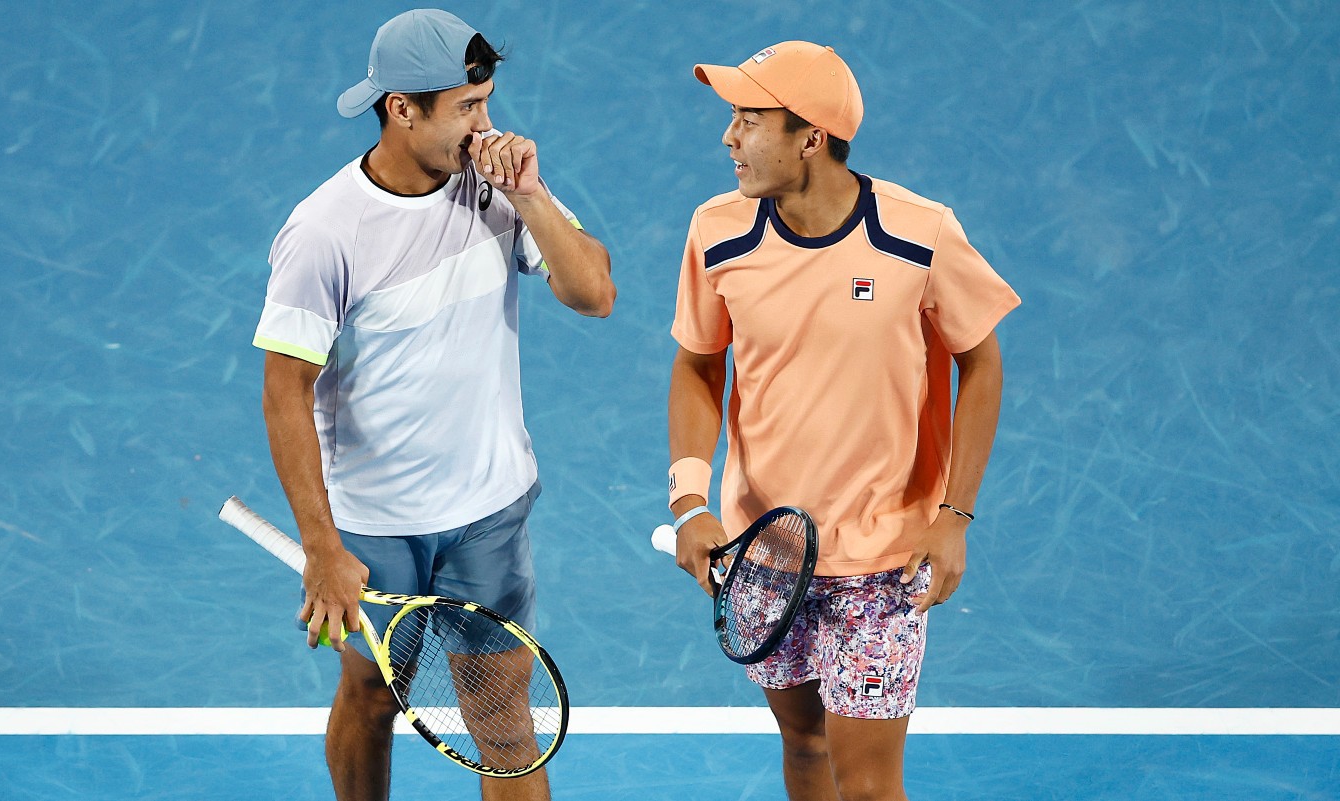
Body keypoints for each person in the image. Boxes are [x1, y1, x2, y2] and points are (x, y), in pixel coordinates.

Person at [252, 9, 613, 801]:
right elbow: (285, 390)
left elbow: (594, 293)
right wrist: (320, 546)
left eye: (486, 103)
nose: (486, 128)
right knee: (372, 696)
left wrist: (532, 195)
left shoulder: (500, 188)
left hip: (488, 511)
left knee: (503, 722)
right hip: (375, 526)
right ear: (402, 108)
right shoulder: (324, 233)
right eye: (467, 110)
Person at [666, 41, 1019, 801]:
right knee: (802, 741)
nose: (729, 137)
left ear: (811, 138)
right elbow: (699, 363)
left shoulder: (919, 233)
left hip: (882, 560)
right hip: (763, 550)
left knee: (865, 785)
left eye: (749, 119)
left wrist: (954, 514)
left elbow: (981, 362)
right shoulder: (716, 231)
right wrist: (690, 501)